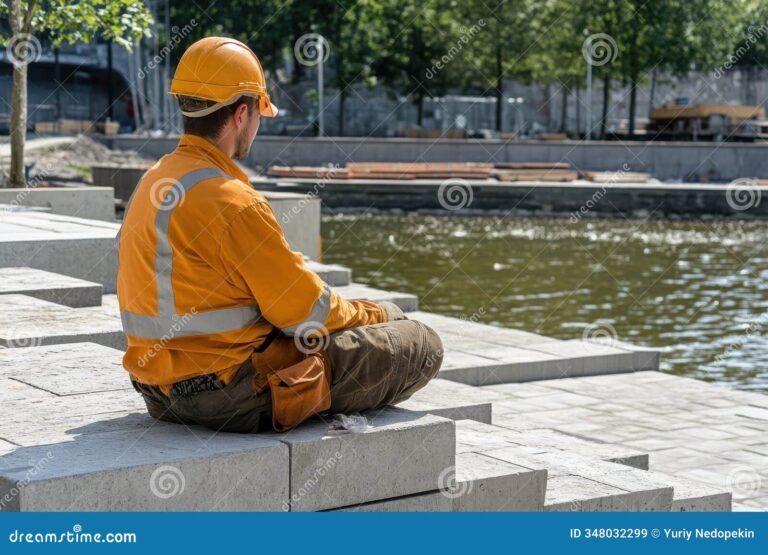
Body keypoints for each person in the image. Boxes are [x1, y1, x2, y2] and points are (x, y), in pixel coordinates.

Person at [117, 37, 443, 433]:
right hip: (225, 396)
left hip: (157, 392)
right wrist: (379, 314)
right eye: (259, 113)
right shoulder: (234, 202)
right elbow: (308, 314)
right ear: (241, 114)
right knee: (421, 343)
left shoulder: (153, 182)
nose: (258, 125)